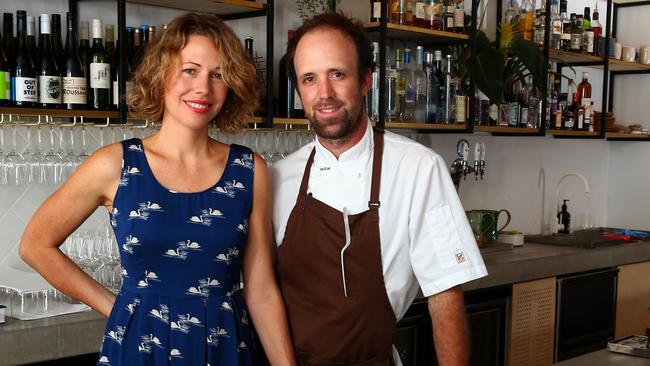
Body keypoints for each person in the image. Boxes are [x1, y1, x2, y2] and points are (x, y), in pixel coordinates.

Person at [20, 13, 296, 366]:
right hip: (139, 347)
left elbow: (260, 289)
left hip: (226, 348)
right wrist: (115, 306)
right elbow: (35, 245)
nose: (204, 88)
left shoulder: (249, 169)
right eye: (190, 70)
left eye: (218, 75)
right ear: (161, 74)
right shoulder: (115, 164)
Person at [270, 12, 488, 365]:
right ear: (298, 90)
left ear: (366, 81)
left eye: (337, 75)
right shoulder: (278, 177)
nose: (324, 94)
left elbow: (445, 295)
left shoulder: (417, 169)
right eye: (309, 79)